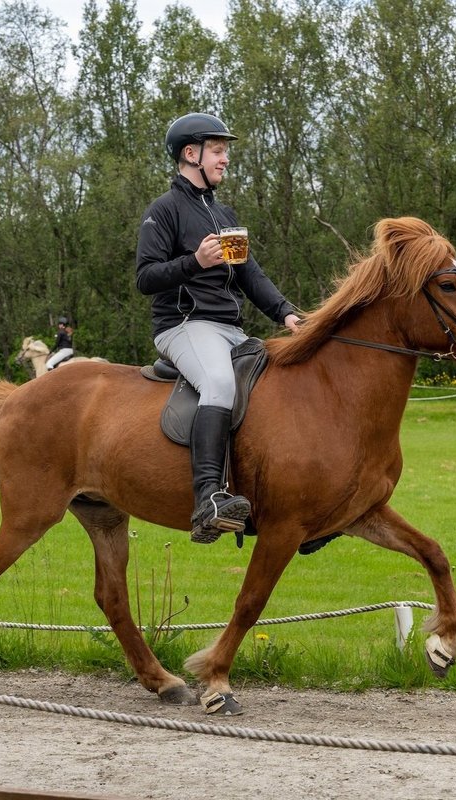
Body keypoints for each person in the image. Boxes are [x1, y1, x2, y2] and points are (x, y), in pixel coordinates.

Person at [136, 112, 302, 544]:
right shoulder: (164, 211)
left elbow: (251, 275)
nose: (226, 159)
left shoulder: (223, 214)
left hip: (229, 329)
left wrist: (286, 313)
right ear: (191, 154)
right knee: (218, 384)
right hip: (185, 325)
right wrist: (196, 262)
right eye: (219, 150)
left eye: (225, 151)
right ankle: (208, 498)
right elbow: (145, 277)